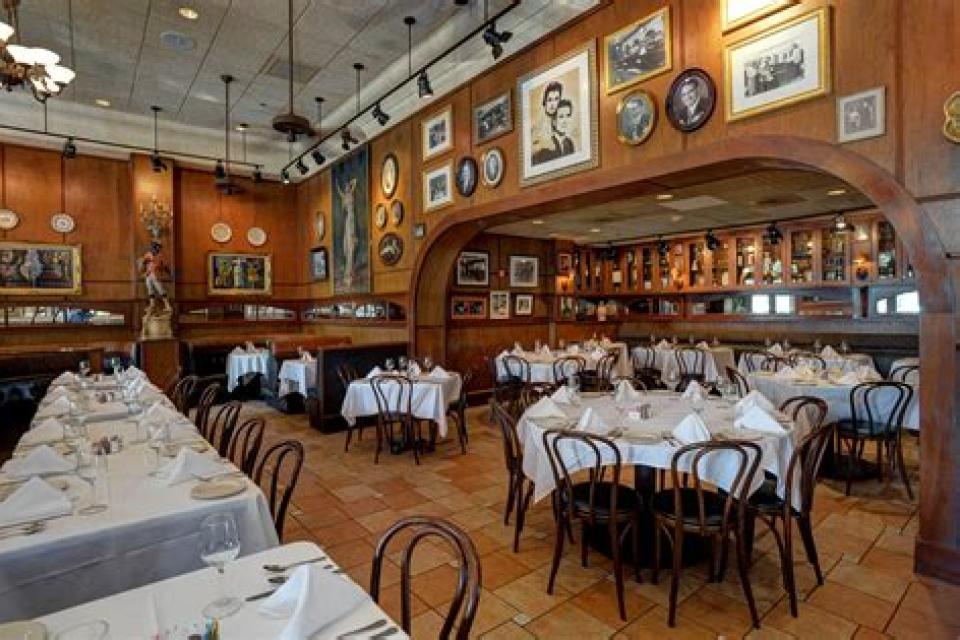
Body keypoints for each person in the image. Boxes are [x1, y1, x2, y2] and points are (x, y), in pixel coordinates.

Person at [532, 98, 576, 165]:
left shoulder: (569, 143)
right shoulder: (547, 145)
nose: (565, 121)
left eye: (568, 116)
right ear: (554, 121)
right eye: (561, 117)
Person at [139, 241, 171, 313]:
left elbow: (165, 266)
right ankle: (152, 305)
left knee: (160, 289)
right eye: (157, 247)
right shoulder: (148, 254)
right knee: (150, 290)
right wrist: (143, 263)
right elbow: (142, 263)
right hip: (148, 274)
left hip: (156, 274)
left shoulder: (160, 256)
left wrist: (169, 273)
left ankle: (167, 305)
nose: (158, 249)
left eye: (158, 247)